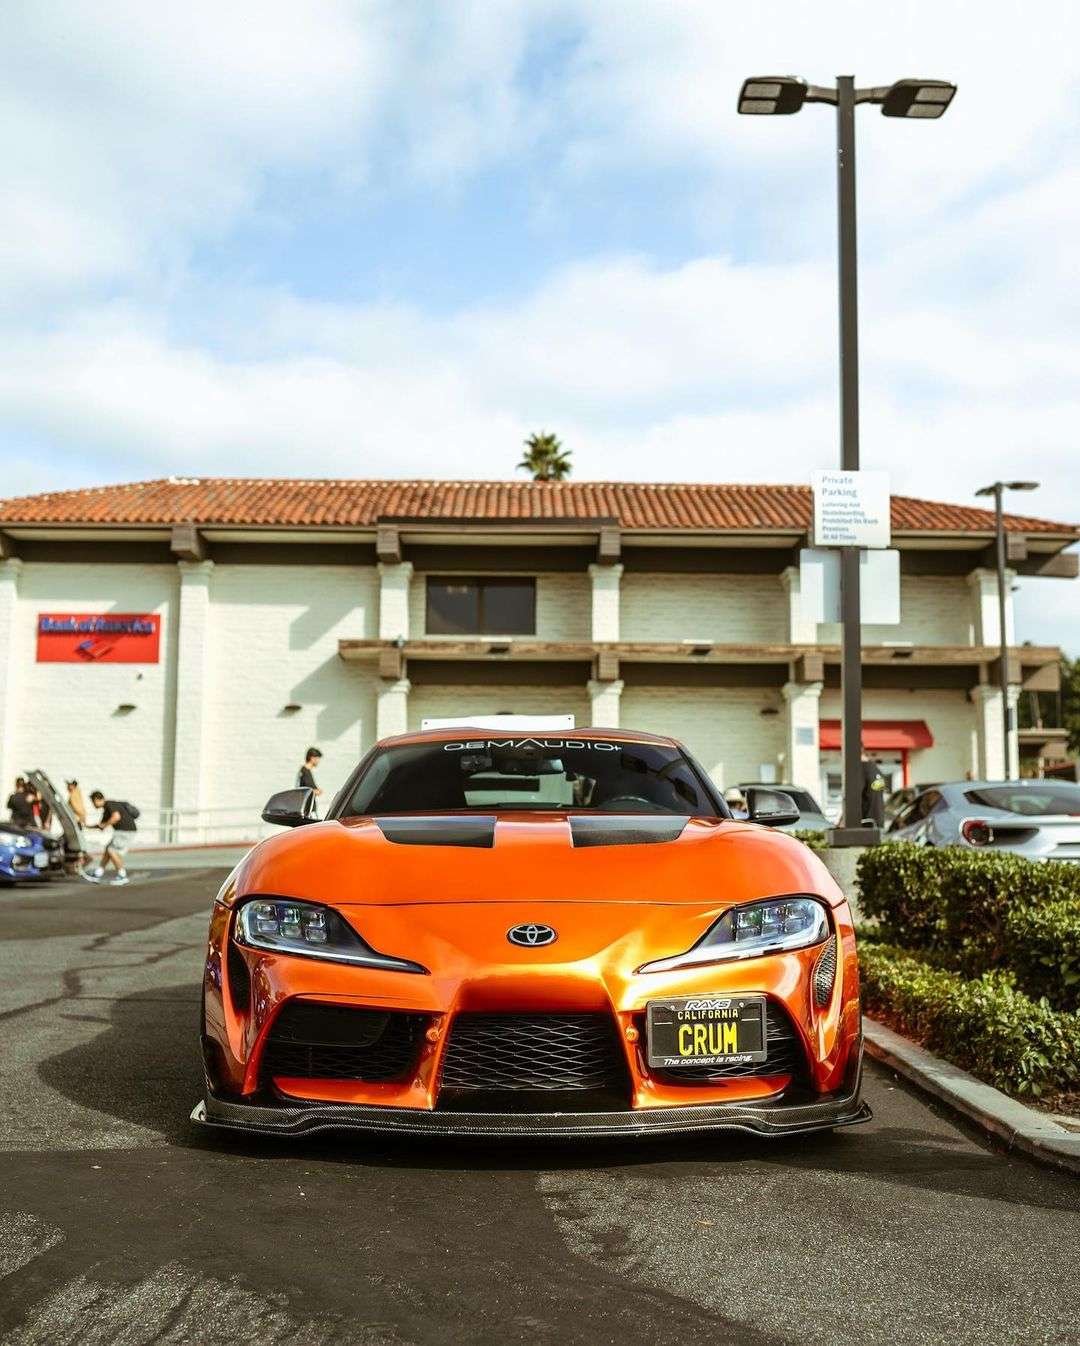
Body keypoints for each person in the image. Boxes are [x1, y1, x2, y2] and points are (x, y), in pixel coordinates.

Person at [87, 791, 140, 884]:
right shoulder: (106, 810)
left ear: (97, 799)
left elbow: (116, 817)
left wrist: (106, 825)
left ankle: (122, 876)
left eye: (93, 802)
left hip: (125, 831)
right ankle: (98, 873)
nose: (93, 804)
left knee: (112, 850)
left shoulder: (110, 804)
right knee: (108, 849)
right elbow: (101, 825)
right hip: (123, 831)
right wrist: (86, 826)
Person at [860, 752, 887, 829]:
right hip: (879, 820)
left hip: (866, 823)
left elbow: (854, 797)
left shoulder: (861, 770)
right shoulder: (876, 770)